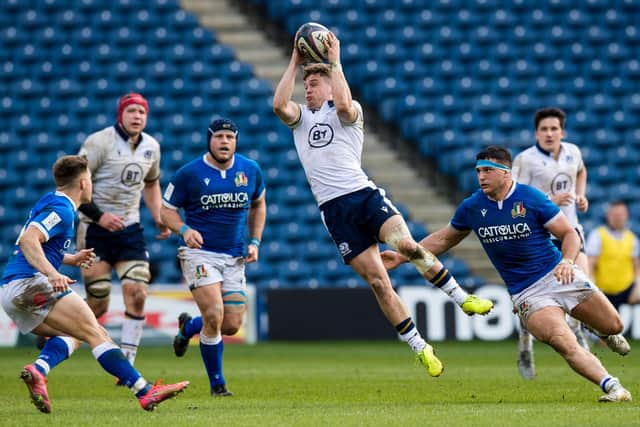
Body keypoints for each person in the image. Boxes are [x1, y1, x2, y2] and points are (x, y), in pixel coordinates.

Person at [272, 30, 493, 377]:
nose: (309, 89)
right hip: (334, 210)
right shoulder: (301, 120)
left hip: (364, 196)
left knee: (406, 244)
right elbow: (278, 105)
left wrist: (334, 63)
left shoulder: (350, 110)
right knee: (378, 282)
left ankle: (461, 296)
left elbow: (343, 105)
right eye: (307, 84)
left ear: (331, 84)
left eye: (315, 83)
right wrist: (295, 61)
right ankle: (420, 347)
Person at [382, 146, 632, 402]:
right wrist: (403, 256)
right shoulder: (472, 206)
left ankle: (602, 330)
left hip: (559, 274)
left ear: (506, 173)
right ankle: (613, 387)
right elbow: (444, 239)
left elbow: (569, 234)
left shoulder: (531, 198)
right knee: (564, 342)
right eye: (478, 171)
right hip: (527, 292)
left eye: (488, 170)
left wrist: (568, 261)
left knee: (615, 324)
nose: (481, 176)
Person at [0, 155, 188, 413]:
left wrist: (69, 259)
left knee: (74, 334)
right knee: (96, 333)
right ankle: (145, 392)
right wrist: (52, 273)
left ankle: (38, 369)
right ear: (83, 183)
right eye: (91, 180)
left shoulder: (49, 202)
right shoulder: (63, 209)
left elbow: (36, 243)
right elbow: (29, 242)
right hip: (30, 283)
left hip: (10, 292)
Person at [160, 118, 266, 397]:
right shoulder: (189, 173)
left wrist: (255, 241)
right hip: (200, 254)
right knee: (214, 314)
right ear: (209, 140)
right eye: (219, 136)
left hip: (234, 256)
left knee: (231, 325)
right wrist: (183, 229)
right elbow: (166, 211)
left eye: (230, 137)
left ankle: (189, 327)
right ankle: (217, 384)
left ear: (236, 141)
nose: (224, 141)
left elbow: (259, 204)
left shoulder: (250, 170)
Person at [76, 93, 170, 368]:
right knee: (99, 303)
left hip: (130, 228)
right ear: (121, 114)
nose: (137, 116)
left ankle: (126, 363)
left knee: (138, 294)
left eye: (142, 112)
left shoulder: (152, 146)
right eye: (131, 111)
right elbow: (76, 184)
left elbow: (151, 184)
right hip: (94, 229)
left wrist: (158, 216)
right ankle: (56, 334)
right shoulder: (98, 142)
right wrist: (100, 216)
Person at [511, 107, 591, 379]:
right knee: (532, 301)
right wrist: (547, 202)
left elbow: (581, 170)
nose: (549, 133)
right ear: (536, 133)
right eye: (543, 129)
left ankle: (581, 341)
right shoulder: (525, 160)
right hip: (538, 238)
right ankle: (524, 342)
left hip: (569, 232)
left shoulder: (573, 152)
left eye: (553, 129)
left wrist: (581, 196)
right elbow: (515, 201)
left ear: (562, 132)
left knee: (583, 289)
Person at [585, 200, 640, 309]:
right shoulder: (597, 235)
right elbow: (590, 264)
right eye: (615, 214)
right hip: (603, 291)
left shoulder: (632, 238)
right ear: (608, 215)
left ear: (627, 216)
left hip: (626, 289)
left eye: (621, 214)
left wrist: (638, 286)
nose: (618, 217)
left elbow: (636, 266)